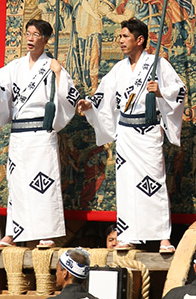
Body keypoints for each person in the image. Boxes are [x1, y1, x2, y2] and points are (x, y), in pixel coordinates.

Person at [77, 17, 185, 253]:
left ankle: (162, 238)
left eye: (125, 36)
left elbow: (179, 92)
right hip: (126, 133)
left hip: (147, 130)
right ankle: (129, 235)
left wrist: (160, 92)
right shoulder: (119, 69)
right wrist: (89, 105)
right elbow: (102, 95)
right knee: (127, 186)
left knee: (153, 183)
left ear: (140, 40)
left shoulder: (158, 64)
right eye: (120, 36)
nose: (120, 41)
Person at [0, 19, 81, 250]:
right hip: (19, 134)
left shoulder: (53, 65)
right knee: (16, 184)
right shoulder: (15, 66)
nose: (29, 38)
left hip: (41, 133)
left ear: (45, 39)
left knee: (43, 182)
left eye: (35, 34)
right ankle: (12, 233)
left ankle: (46, 234)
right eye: (27, 33)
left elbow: (70, 96)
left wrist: (58, 75)